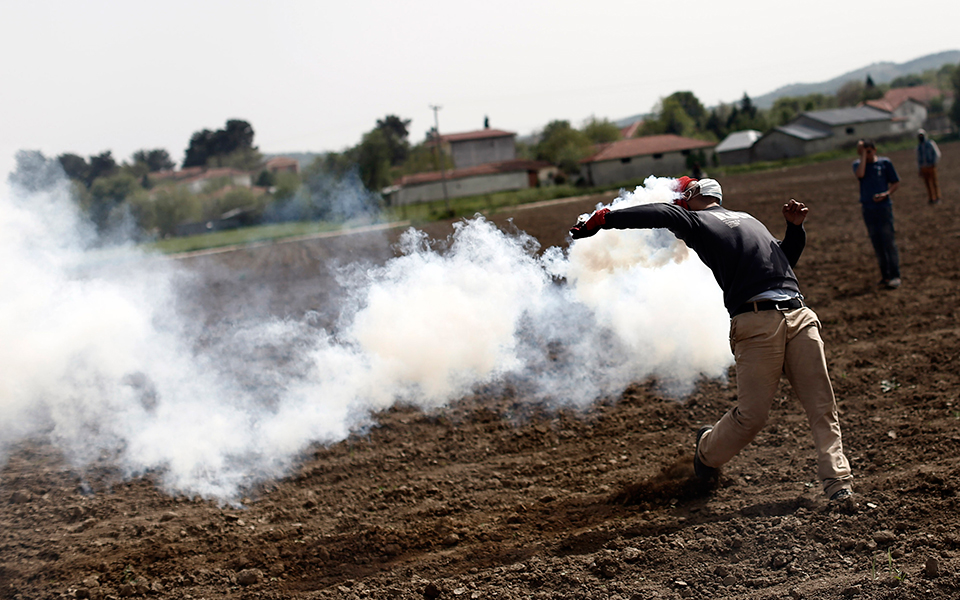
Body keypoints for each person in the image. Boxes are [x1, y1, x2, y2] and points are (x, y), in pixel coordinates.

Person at [569, 177, 854, 501]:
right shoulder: (709, 221)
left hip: (798, 314)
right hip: (756, 322)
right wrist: (609, 219)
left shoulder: (728, 218)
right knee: (752, 416)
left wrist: (794, 231)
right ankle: (706, 451)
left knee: (821, 405)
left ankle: (838, 483)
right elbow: (659, 213)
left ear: (693, 195)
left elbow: (781, 262)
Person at [853, 139, 901, 289]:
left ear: (874, 150)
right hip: (868, 208)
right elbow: (860, 175)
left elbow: (895, 182)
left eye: (869, 151)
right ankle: (885, 276)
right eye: (864, 152)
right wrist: (862, 157)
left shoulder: (885, 163)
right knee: (877, 243)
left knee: (888, 242)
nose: (867, 155)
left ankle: (895, 275)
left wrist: (886, 193)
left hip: (884, 208)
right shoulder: (858, 165)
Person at [916, 129, 942, 205]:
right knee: (927, 184)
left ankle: (937, 197)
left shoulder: (930, 144)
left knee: (934, 182)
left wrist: (934, 162)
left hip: (931, 166)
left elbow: (937, 154)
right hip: (923, 167)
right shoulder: (918, 147)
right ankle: (931, 198)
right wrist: (919, 169)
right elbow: (918, 159)